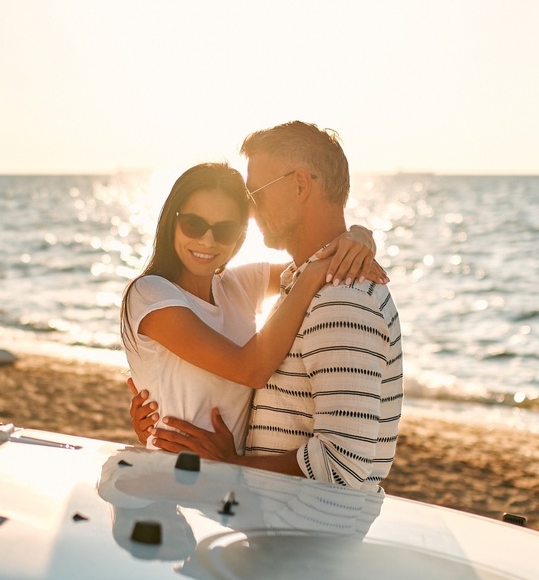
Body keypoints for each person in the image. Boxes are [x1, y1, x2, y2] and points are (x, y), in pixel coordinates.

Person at [136, 123, 403, 492]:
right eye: (193, 223)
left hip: (302, 536)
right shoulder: (305, 280)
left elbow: (343, 466)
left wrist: (233, 466)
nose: (250, 210)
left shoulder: (342, 299)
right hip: (266, 520)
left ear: (299, 185)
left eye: (255, 193)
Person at [120, 162, 385, 450]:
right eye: (193, 224)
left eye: (225, 230)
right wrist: (313, 275)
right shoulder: (150, 293)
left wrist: (360, 236)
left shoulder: (237, 285)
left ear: (241, 235)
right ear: (172, 221)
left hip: (233, 480)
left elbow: (320, 256)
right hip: (170, 478)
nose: (207, 240)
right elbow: (252, 370)